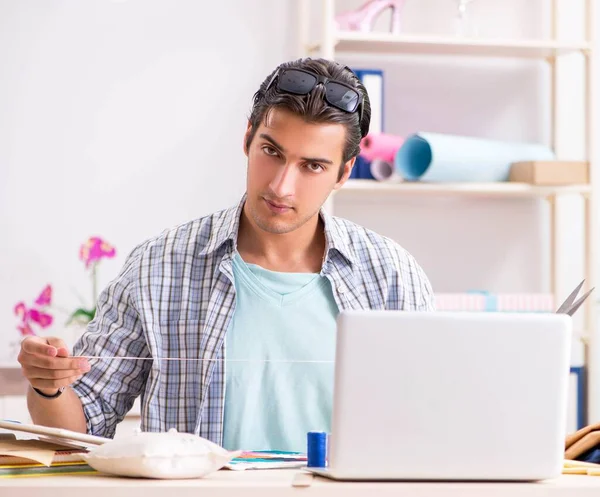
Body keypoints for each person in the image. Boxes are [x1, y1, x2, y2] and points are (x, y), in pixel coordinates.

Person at [18, 57, 435, 453]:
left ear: (343, 173)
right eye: (271, 152)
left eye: (312, 166)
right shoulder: (157, 266)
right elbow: (80, 430)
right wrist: (47, 385)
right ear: (248, 138)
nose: (281, 187)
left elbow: (425, 427)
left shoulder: (391, 276)